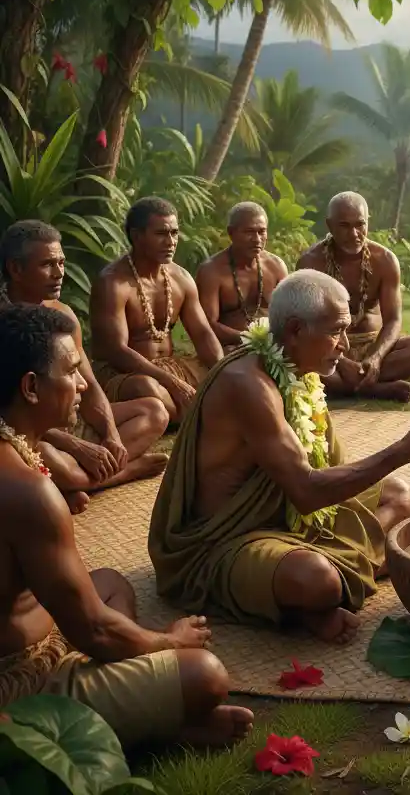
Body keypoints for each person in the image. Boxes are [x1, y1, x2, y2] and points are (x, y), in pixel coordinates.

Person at [149, 269, 410, 642]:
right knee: (317, 580)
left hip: (288, 514)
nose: (345, 344)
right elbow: (306, 491)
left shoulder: (300, 366)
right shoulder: (248, 385)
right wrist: (404, 449)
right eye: (336, 331)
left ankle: (336, 579)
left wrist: (405, 446)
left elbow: (327, 469)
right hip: (227, 541)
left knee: (399, 496)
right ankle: (338, 583)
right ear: (295, 330)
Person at [0, 304, 253, 748]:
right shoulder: (26, 491)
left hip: (31, 630)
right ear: (31, 388)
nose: (82, 384)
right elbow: (93, 630)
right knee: (203, 673)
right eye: (72, 372)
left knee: (111, 583)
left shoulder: (15, 453)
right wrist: (166, 641)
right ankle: (157, 726)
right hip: (15, 680)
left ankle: (132, 695)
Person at [0, 221, 169, 512]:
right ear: (15, 269)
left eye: (61, 262)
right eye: (47, 264)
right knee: (39, 450)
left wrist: (111, 437)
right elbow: (10, 415)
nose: (59, 273)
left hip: (69, 413)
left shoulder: (63, 315)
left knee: (154, 411)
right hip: (31, 432)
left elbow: (87, 385)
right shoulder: (6, 325)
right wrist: (77, 446)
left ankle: (74, 480)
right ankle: (119, 473)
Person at [90, 197, 224, 425]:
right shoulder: (113, 283)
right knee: (146, 387)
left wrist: (222, 373)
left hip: (171, 367)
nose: (170, 242)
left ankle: (193, 412)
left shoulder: (180, 278)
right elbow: (117, 352)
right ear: (137, 236)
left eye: (174, 233)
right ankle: (199, 414)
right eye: (161, 234)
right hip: (123, 374)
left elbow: (203, 335)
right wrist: (172, 383)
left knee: (232, 364)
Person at [296, 191, 410, 402]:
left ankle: (353, 385)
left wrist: (376, 358)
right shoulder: (311, 264)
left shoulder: (385, 260)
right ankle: (376, 389)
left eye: (360, 224)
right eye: (344, 226)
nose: (354, 234)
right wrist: (341, 361)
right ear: (329, 225)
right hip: (329, 350)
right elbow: (306, 325)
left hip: (374, 344)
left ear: (367, 222)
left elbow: (393, 320)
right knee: (302, 361)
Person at [196, 202, 289, 350]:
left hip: (274, 347)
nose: (257, 239)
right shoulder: (212, 271)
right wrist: (249, 340)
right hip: (231, 348)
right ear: (231, 233)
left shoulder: (276, 266)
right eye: (249, 232)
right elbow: (207, 324)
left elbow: (291, 313)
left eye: (261, 231)